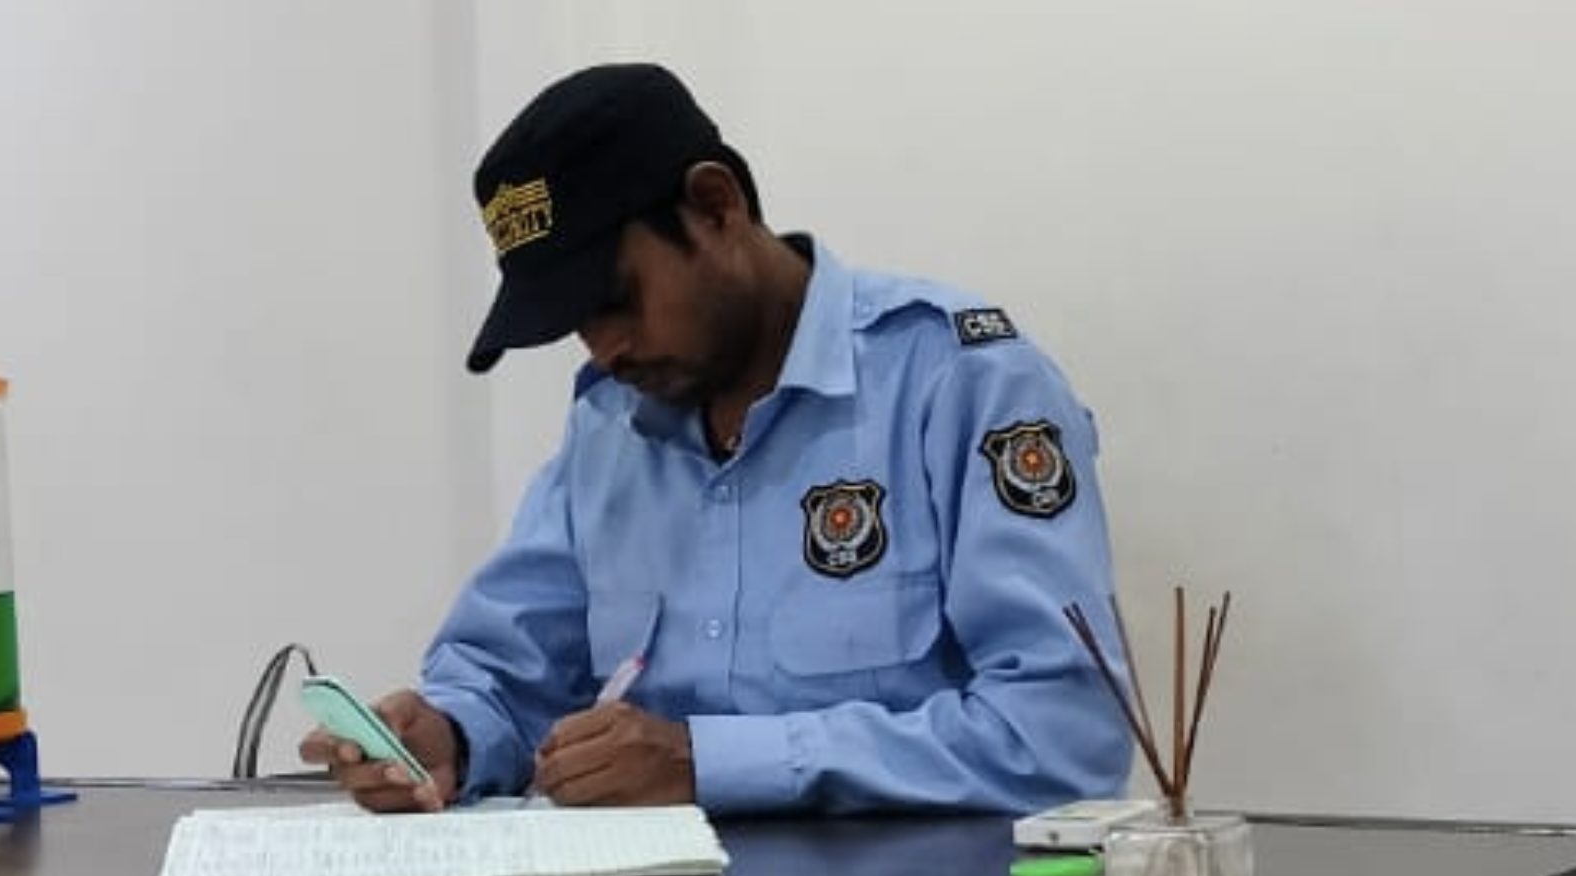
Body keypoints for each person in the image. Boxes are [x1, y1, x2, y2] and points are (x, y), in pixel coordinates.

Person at [300, 62, 1131, 816]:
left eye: (616, 299)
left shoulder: (959, 382)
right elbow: (512, 678)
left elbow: (1062, 736)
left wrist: (713, 764)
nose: (606, 348)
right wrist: (451, 736)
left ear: (714, 205)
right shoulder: (608, 426)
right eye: (575, 324)